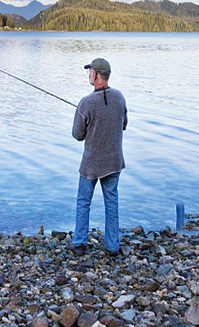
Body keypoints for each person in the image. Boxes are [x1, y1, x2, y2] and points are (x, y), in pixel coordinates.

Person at [70, 57, 128, 256]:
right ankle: (112, 246)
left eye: (90, 72)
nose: (89, 75)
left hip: (92, 164)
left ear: (95, 76)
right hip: (113, 161)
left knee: (83, 202)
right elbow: (123, 124)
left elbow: (77, 135)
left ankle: (79, 243)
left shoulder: (86, 102)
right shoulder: (120, 97)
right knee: (111, 202)